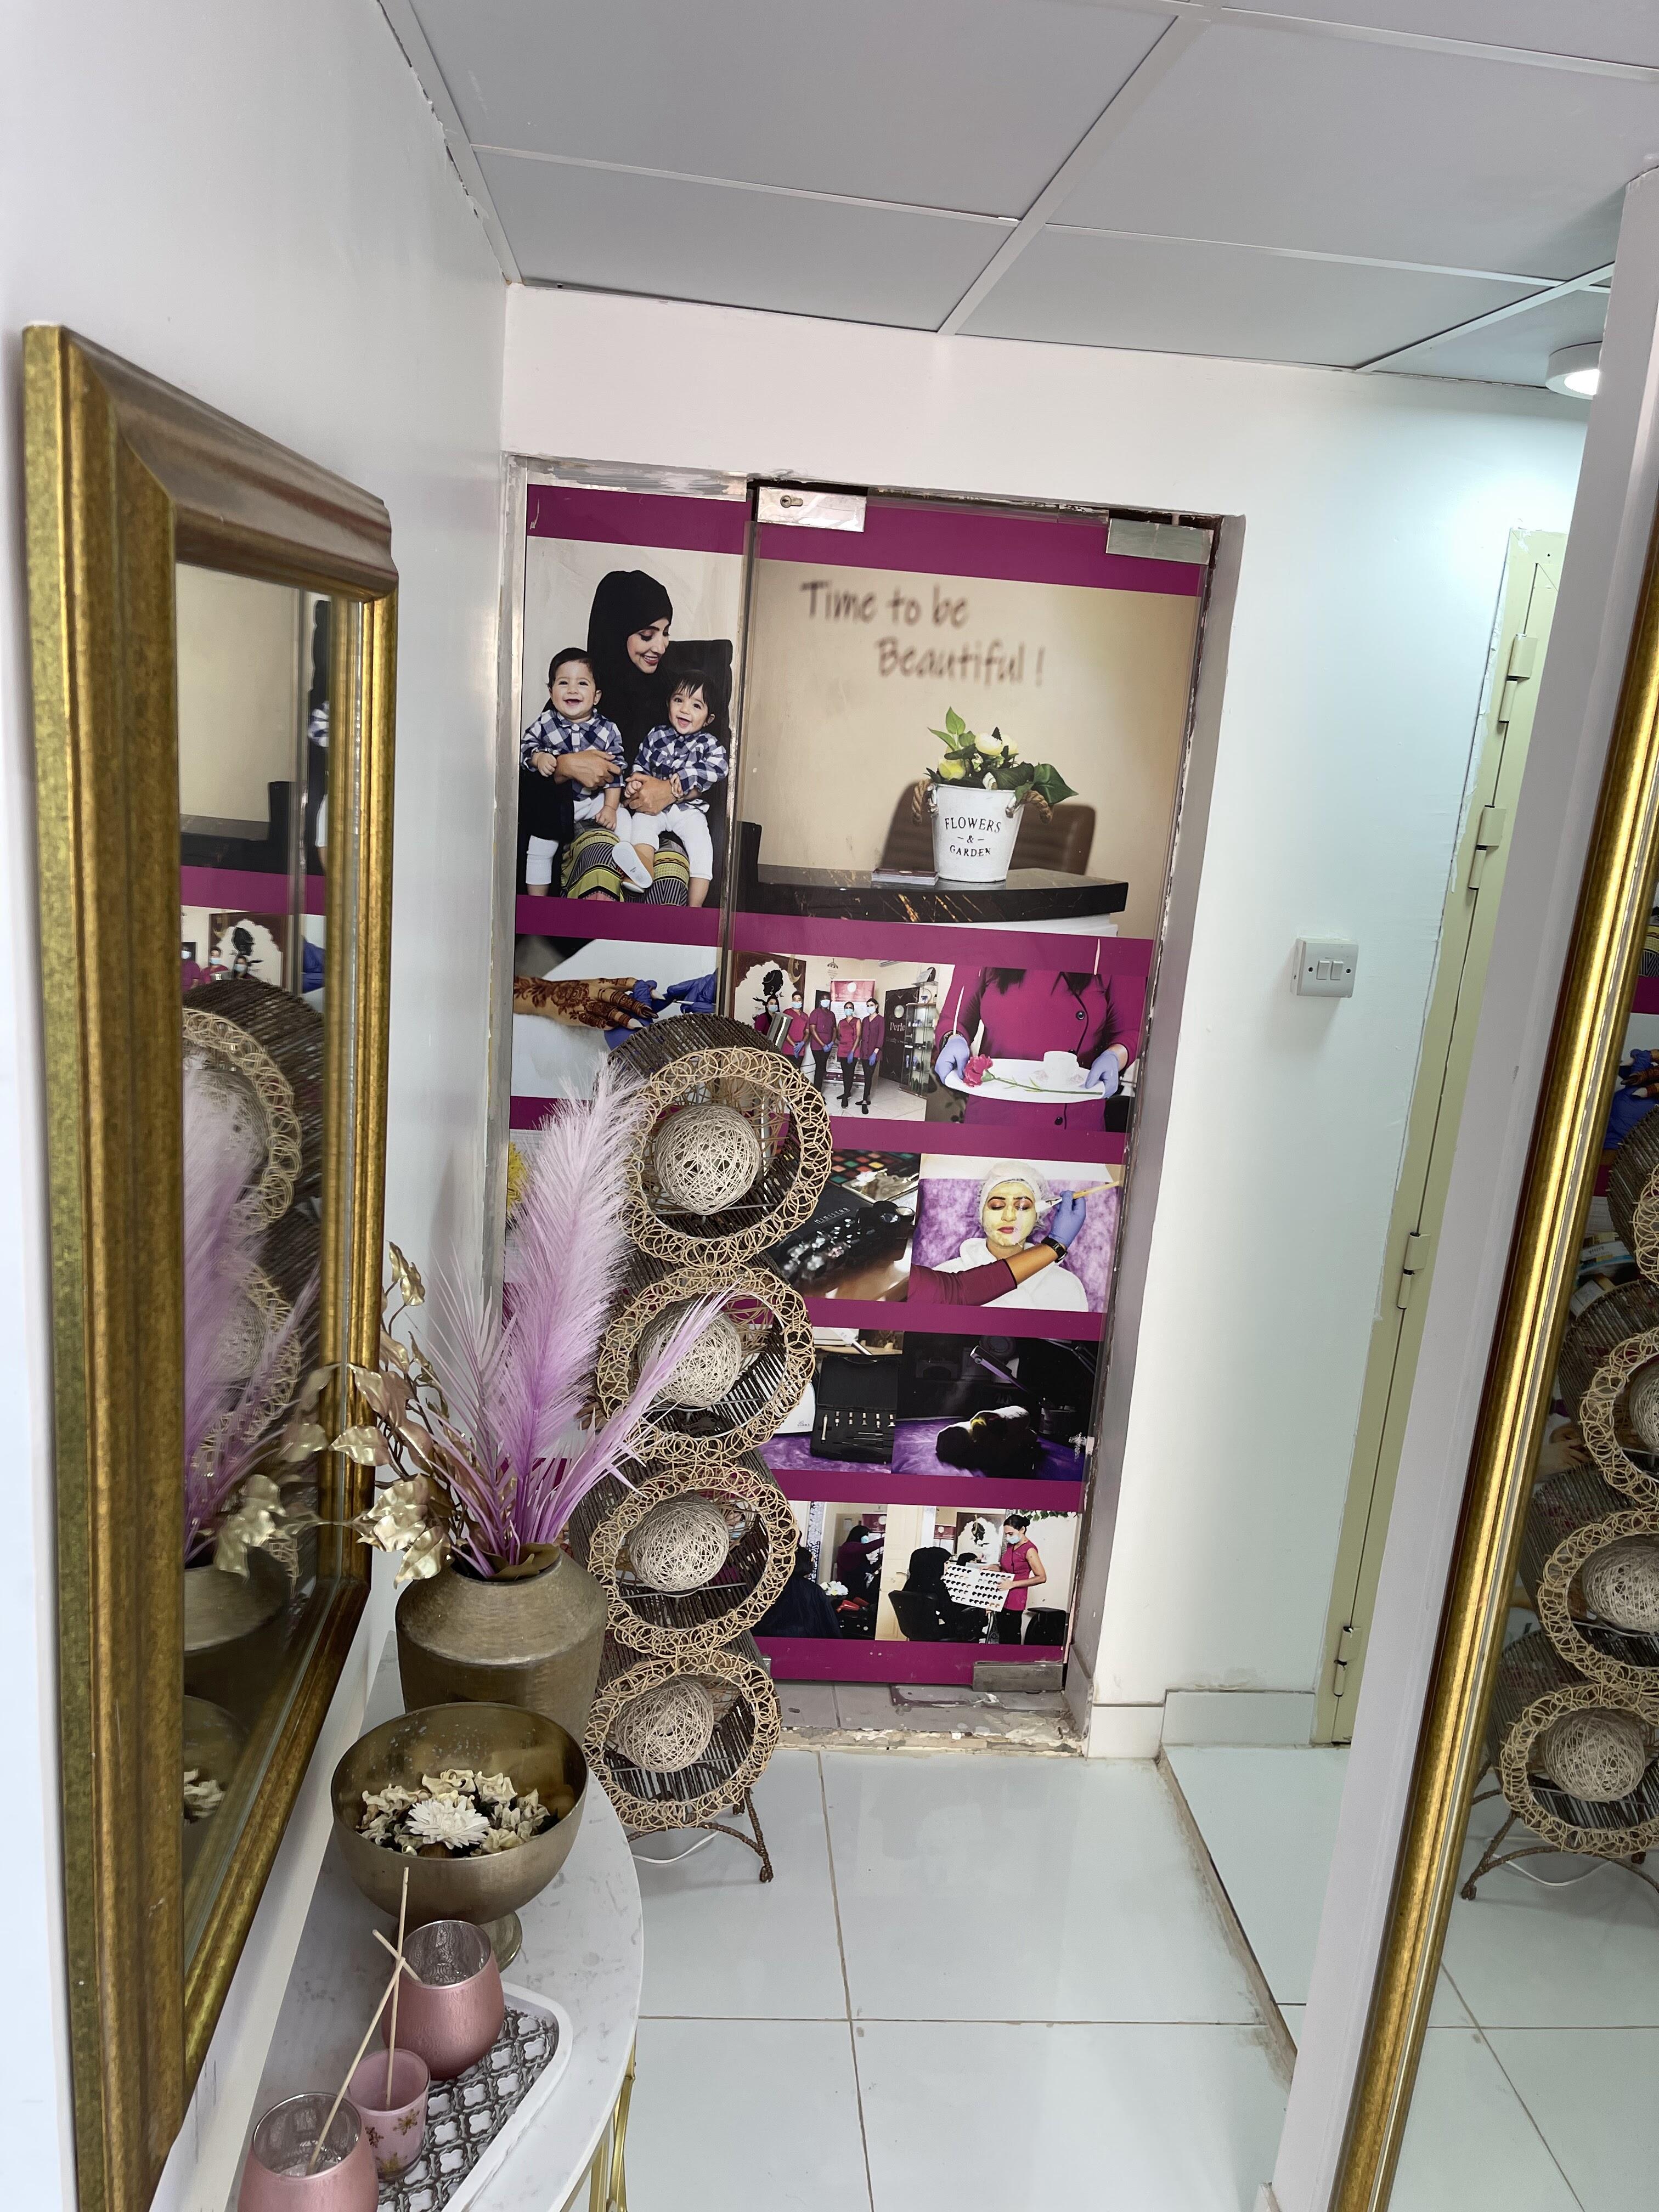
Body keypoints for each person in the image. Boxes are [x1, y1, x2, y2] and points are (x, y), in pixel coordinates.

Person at [560, 569, 691, 904]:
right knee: (599, 867)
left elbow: (713, 765)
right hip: (595, 821)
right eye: (647, 635)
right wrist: (566, 766)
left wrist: (669, 791)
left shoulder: (677, 696)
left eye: (666, 633)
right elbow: (529, 772)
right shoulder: (579, 690)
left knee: (668, 881)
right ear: (617, 631)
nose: (661, 646)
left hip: (658, 827)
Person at [934, 967, 1129, 1130]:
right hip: (993, 1116)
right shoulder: (984, 943)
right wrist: (953, 1039)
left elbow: (1128, 1031)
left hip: (1076, 1120)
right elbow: (955, 1019)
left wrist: (1115, 1055)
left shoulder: (1106, 952)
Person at [613, 665, 731, 907]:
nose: (685, 709)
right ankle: (641, 870)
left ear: (708, 719)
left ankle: (695, 907)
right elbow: (641, 765)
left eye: (696, 705)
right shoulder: (656, 735)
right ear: (669, 704)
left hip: (688, 810)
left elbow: (720, 767)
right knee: (641, 828)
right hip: (653, 809)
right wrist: (635, 784)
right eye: (679, 700)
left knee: (701, 847)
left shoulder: (708, 744)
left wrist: (687, 776)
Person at [518, 647, 627, 896]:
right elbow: (525, 748)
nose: (572, 690)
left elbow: (616, 771)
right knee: (540, 846)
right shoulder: (545, 723)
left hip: (595, 800)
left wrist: (610, 807)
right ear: (551, 692)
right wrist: (539, 757)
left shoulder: (608, 730)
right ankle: (537, 903)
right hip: (561, 804)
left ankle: (628, 864)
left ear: (596, 696)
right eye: (563, 683)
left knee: (624, 821)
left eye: (582, 683)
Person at [924, 1164, 1090, 1311]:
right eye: (997, 1206)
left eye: (1023, 1207)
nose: (1009, 1216)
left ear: (1037, 1217)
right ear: (981, 1215)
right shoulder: (945, 1276)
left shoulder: (1067, 1286)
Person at [754, 1546, 842, 1638]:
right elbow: (829, 1623)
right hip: (806, 1639)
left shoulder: (772, 1586)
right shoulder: (814, 1590)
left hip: (770, 1637)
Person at [994, 1511, 1046, 1644]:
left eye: (1011, 1534)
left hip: (1015, 1599)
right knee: (1002, 1635)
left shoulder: (1029, 1550)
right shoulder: (1011, 1546)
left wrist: (1012, 1584)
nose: (1008, 1537)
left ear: (1022, 1530)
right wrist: (992, 1567)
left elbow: (1042, 1577)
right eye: (1006, 1534)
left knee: (1011, 1637)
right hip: (1002, 1596)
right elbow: (1006, 1568)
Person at [851, 997, 885, 1114]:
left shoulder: (881, 1020)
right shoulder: (865, 1020)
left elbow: (881, 1037)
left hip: (874, 1053)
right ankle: (867, 1098)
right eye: (868, 1005)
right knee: (867, 1076)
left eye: (871, 1005)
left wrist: (875, 1053)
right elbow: (862, 1036)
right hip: (864, 1053)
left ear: (876, 1006)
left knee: (869, 1076)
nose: (870, 1007)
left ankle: (865, 1101)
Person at [799, 990, 837, 1091]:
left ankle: (817, 1090)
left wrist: (832, 1043)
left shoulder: (832, 1014)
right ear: (820, 1001)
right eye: (824, 999)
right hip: (817, 1046)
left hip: (828, 1046)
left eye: (827, 999)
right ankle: (817, 1092)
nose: (826, 1001)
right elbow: (812, 1030)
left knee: (822, 1068)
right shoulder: (815, 1013)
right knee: (820, 1067)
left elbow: (834, 1030)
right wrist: (823, 1045)